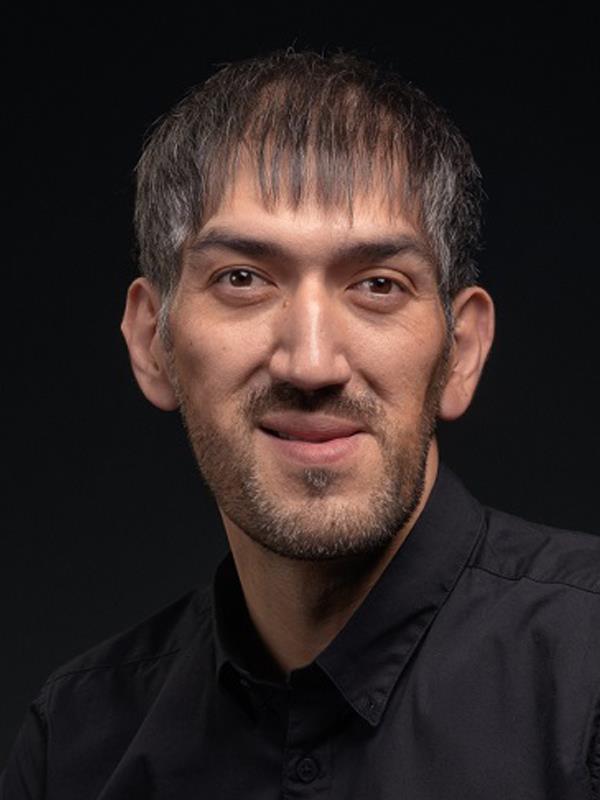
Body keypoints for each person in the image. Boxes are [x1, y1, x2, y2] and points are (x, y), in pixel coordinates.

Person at [2, 50, 599, 800]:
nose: (311, 363)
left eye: (377, 285)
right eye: (242, 279)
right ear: (153, 341)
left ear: (461, 352)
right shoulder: (74, 746)